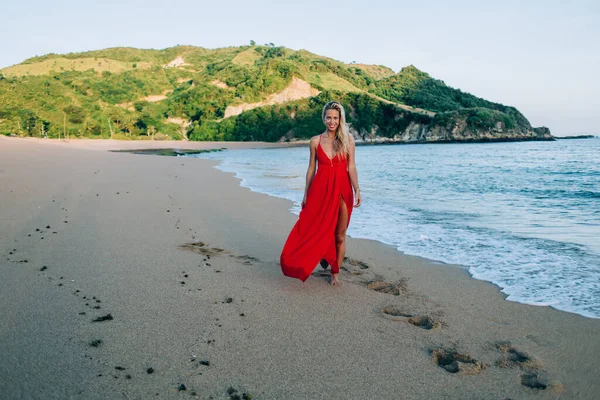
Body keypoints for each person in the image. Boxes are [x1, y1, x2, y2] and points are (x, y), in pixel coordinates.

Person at [280, 101, 362, 285]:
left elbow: (351, 166)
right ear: (324, 118)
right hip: (320, 190)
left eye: (335, 118)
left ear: (340, 119)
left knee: (339, 235)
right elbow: (311, 169)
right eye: (329, 117)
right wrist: (305, 194)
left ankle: (335, 273)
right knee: (312, 228)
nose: (332, 121)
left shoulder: (348, 140)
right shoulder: (315, 141)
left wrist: (357, 189)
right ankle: (307, 258)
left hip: (342, 190)